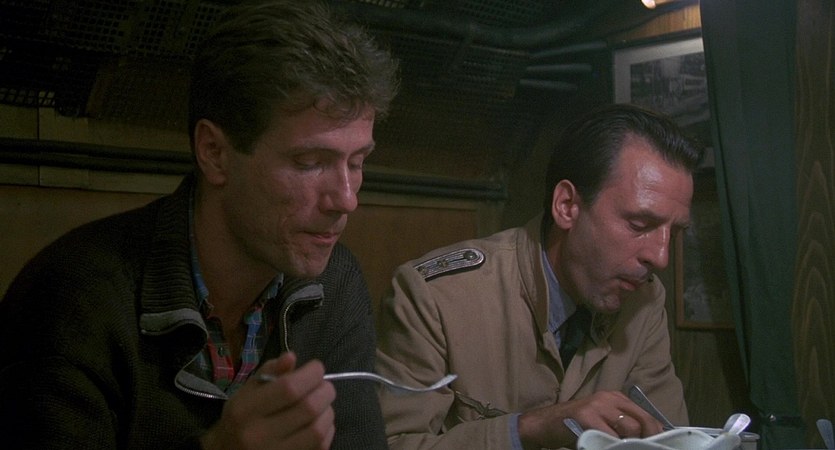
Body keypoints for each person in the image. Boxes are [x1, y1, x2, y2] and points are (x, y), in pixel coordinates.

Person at [0, 1, 398, 449]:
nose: (346, 199)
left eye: (357, 162)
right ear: (214, 153)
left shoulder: (335, 283)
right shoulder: (76, 301)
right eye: (309, 162)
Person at [375, 103, 703, 449]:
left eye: (674, 233)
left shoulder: (644, 300)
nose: (661, 257)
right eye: (639, 224)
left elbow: (671, 439)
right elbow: (393, 444)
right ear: (567, 206)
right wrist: (530, 428)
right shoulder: (436, 297)